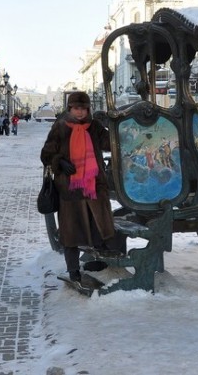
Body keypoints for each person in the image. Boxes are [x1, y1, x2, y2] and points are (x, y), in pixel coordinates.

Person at [40, 91, 116, 283]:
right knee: (70, 233)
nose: (80, 112)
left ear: (88, 109)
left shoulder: (95, 127)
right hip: (70, 188)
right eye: (76, 108)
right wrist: (60, 162)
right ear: (70, 108)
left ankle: (101, 266)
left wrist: (117, 126)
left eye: (83, 108)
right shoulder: (60, 127)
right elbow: (46, 155)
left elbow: (110, 143)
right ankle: (73, 270)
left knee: (99, 228)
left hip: (94, 187)